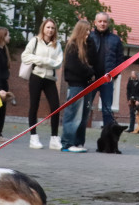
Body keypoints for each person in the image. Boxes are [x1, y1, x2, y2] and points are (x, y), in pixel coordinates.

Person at [22, 18, 64, 151]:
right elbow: (25, 56)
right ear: (43, 28)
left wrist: (47, 62)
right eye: (48, 27)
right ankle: (33, 137)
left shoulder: (57, 45)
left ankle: (54, 138)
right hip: (36, 76)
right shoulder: (35, 41)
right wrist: (42, 60)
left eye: (52, 28)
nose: (50, 30)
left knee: (55, 107)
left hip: (50, 79)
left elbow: (58, 63)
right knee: (34, 106)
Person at [60, 19, 97, 153]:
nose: (88, 33)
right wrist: (90, 72)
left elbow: (93, 61)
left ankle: (79, 141)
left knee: (84, 115)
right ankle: (67, 142)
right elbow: (73, 66)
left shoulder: (87, 45)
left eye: (89, 30)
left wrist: (91, 43)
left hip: (87, 84)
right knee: (73, 113)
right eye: (86, 30)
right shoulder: (73, 46)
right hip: (76, 84)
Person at [89, 12, 123, 126]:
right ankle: (79, 139)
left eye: (104, 21)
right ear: (95, 23)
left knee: (107, 109)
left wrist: (114, 75)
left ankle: (107, 138)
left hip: (107, 79)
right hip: (91, 79)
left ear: (108, 23)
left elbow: (120, 60)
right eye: (100, 21)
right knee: (85, 107)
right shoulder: (89, 37)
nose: (102, 24)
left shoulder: (116, 40)